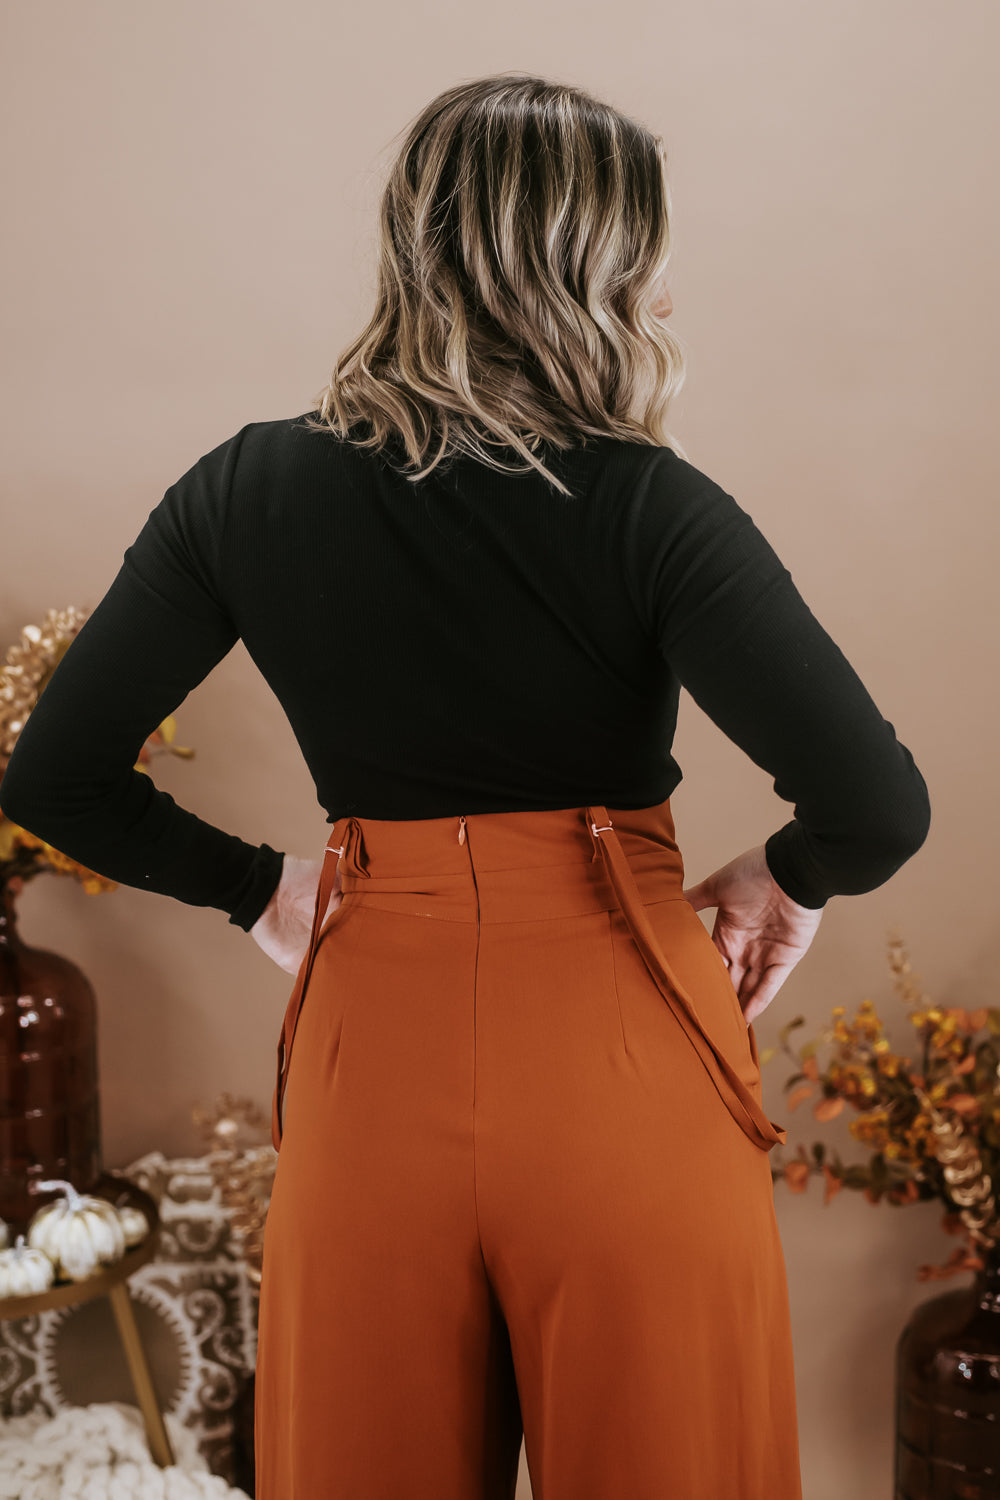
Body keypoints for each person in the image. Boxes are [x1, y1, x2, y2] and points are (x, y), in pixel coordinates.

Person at [0, 71, 930, 1500]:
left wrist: (261, 891)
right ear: (599, 267)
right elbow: (875, 807)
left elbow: (54, 777)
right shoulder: (650, 506)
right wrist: (777, 881)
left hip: (373, 1045)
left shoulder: (244, 491)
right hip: (626, 1035)